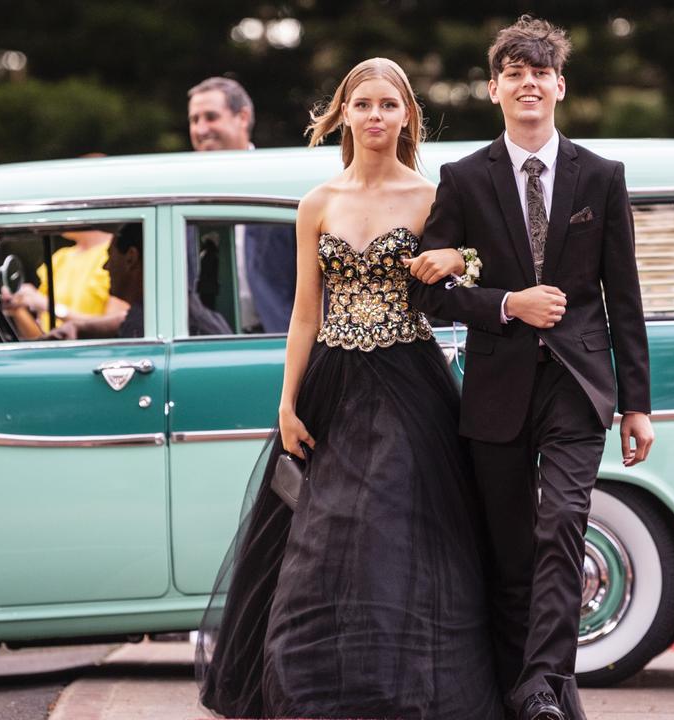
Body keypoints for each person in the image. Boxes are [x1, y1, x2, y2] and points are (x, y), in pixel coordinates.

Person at [197, 58, 507, 720]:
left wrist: (459, 257)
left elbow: (487, 263)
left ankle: (401, 691)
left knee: (391, 534)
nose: (374, 116)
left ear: (405, 118)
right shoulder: (318, 203)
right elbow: (305, 313)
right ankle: (315, 688)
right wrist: (286, 402)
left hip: (408, 383)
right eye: (362, 104)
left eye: (387, 105)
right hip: (331, 385)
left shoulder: (431, 197)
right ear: (342, 114)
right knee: (319, 542)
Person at [406, 17, 654, 720]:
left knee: (564, 526)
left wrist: (637, 403)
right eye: (514, 74)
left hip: (578, 387)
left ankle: (542, 684)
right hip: (496, 387)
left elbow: (624, 298)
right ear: (494, 88)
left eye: (539, 73)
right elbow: (428, 292)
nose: (528, 84)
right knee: (512, 551)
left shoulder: (601, 178)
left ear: (560, 86)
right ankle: (528, 695)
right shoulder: (463, 179)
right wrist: (507, 304)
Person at [187, 77, 296, 334]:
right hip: (200, 344)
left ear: (242, 117)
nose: (201, 129)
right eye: (194, 120)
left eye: (211, 117)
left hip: (274, 338)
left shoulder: (281, 182)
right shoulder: (182, 189)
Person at [1, 226, 127, 336]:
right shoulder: (60, 258)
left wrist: (50, 307)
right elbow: (40, 338)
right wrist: (18, 309)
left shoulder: (117, 254)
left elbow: (116, 328)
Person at [42, 224, 143, 340]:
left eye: (110, 256)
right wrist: (77, 327)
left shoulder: (150, 317)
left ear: (131, 258)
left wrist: (51, 308)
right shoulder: (143, 315)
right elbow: (124, 319)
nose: (105, 267)